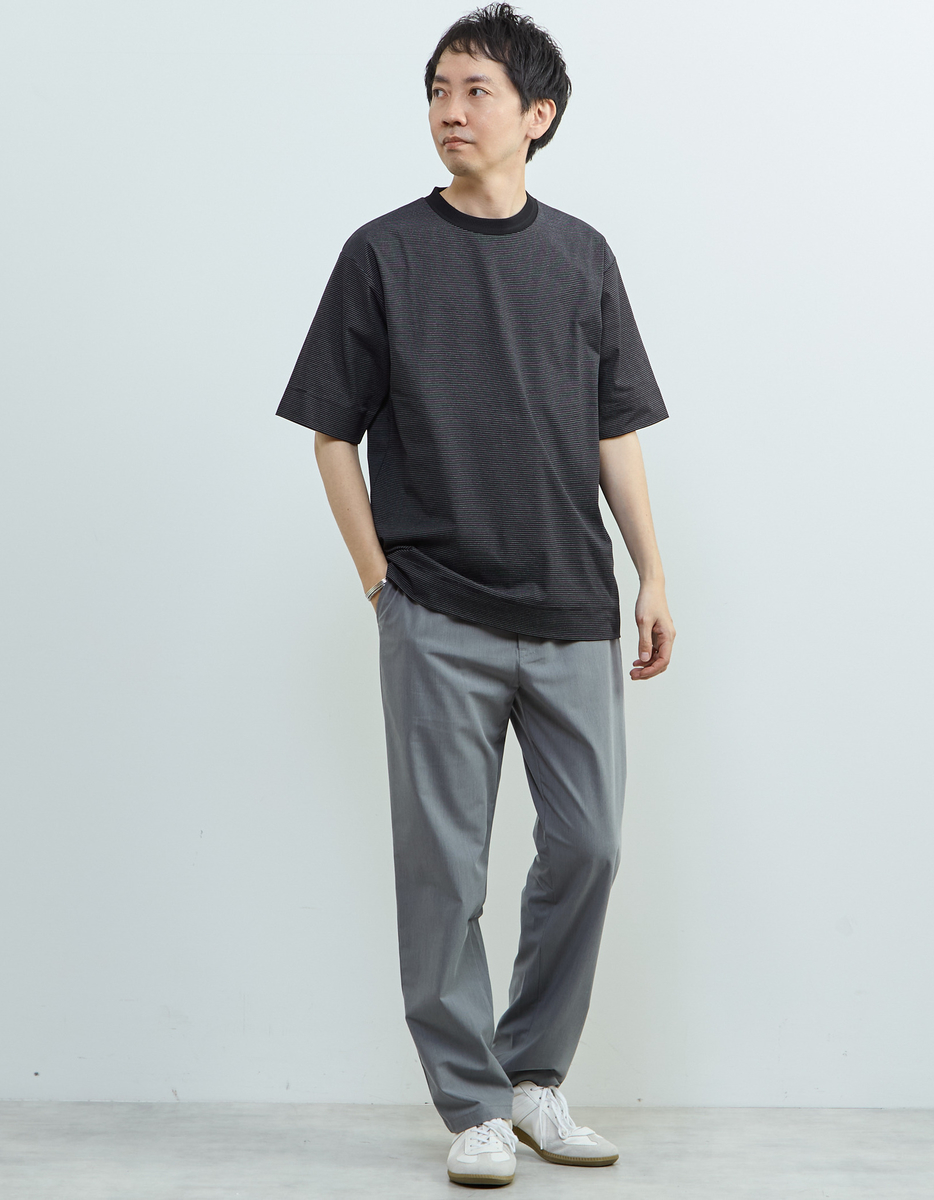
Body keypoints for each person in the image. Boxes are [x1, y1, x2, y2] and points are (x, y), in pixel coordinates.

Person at [275, 2, 675, 1187]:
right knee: (444, 869)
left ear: (537, 115)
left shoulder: (583, 256)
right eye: (438, 90)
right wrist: (380, 583)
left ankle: (534, 1078)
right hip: (437, 608)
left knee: (590, 845)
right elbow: (331, 435)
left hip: (572, 605)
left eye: (476, 90)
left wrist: (652, 570)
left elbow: (613, 428)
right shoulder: (383, 254)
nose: (450, 111)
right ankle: (472, 1106)